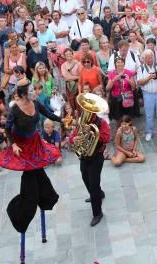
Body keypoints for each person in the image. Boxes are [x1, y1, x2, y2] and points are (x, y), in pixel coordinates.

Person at [0, 79, 61, 242]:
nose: (34, 91)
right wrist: (14, 145)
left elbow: (49, 114)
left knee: (38, 174)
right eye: (31, 89)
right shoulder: (15, 109)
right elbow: (7, 129)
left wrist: (63, 120)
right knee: (30, 175)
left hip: (35, 142)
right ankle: (21, 207)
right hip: (21, 145)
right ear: (24, 93)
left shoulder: (36, 102)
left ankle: (43, 198)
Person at [68, 93, 111, 227]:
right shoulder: (82, 121)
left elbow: (106, 138)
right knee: (84, 177)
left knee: (93, 182)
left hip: (96, 156)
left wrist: (92, 133)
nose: (85, 111)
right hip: (85, 155)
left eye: (88, 109)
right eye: (85, 108)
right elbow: (73, 135)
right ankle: (98, 194)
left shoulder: (101, 122)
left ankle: (97, 213)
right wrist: (73, 139)